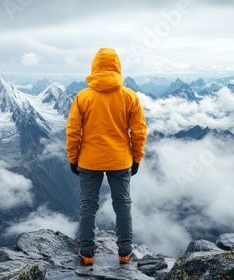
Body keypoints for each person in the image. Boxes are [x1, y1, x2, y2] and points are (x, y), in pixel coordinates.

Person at [66, 47, 147, 265]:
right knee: (122, 205)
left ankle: (87, 253)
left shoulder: (83, 97)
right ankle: (124, 251)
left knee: (88, 206)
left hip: (89, 161)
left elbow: (73, 131)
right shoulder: (129, 96)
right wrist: (136, 158)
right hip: (120, 160)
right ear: (118, 67)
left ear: (94, 67)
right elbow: (138, 131)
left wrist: (73, 158)